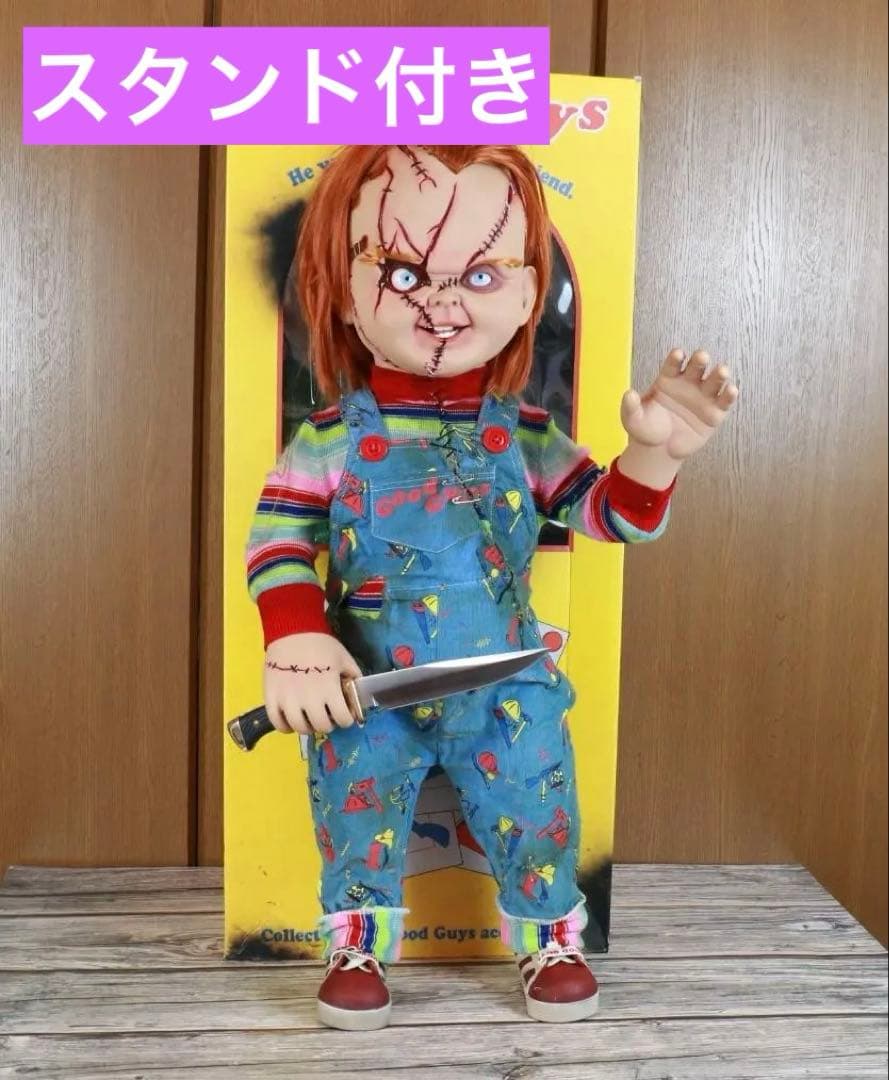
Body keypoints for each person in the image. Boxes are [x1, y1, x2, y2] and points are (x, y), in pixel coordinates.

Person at [245, 145, 738, 1031]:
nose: (440, 303)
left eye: (479, 274)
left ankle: (549, 942)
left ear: (525, 296)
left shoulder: (528, 434)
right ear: (343, 292)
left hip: (506, 683)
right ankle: (355, 946)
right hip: (366, 690)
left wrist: (655, 455)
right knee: (354, 814)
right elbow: (278, 539)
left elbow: (606, 517)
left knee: (534, 804)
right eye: (401, 273)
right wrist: (295, 635)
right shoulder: (326, 438)